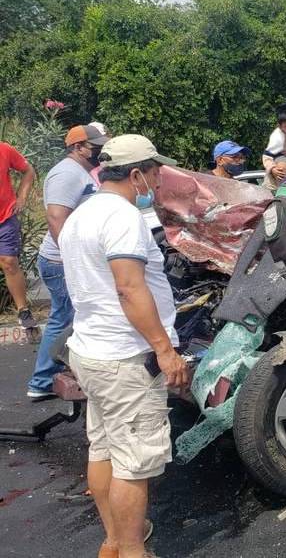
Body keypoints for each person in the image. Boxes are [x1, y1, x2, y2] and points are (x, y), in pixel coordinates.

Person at [60, 134, 188, 558]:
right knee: (134, 464)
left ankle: (113, 541)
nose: (157, 179)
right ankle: (134, 551)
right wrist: (165, 349)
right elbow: (130, 290)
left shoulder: (82, 213)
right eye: (153, 172)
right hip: (125, 358)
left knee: (105, 448)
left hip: (91, 351)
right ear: (135, 175)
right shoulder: (123, 217)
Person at [27, 124, 109, 399]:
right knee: (63, 319)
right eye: (95, 146)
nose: (99, 151)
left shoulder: (81, 172)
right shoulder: (67, 173)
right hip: (60, 261)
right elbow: (56, 218)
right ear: (78, 147)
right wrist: (73, 259)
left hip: (66, 259)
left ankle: (49, 378)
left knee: (67, 317)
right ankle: (41, 382)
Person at [0, 142, 37, 328]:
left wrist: (21, 197)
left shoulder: (4, 149)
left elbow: (28, 170)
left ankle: (23, 310)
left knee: (9, 262)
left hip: (5, 217)